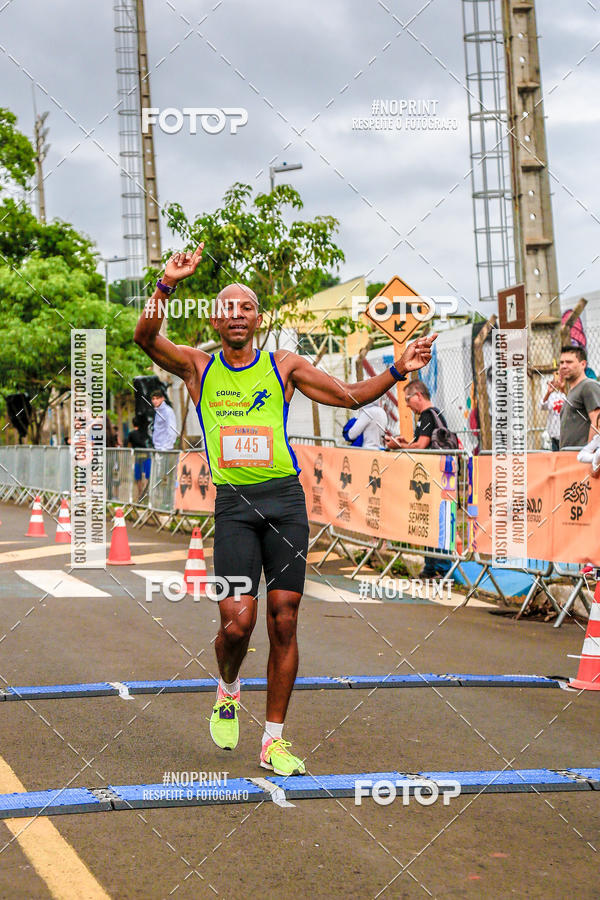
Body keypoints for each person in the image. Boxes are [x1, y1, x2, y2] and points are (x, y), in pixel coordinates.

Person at [134, 243, 436, 776]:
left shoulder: (285, 366)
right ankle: (228, 688)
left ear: (258, 319)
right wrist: (166, 284)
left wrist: (397, 368)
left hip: (284, 503)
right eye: (226, 308)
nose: (235, 316)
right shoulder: (198, 367)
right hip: (233, 507)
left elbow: (348, 396)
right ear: (214, 318)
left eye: (245, 308)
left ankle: (273, 739)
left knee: (285, 619)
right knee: (235, 625)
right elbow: (145, 338)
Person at [383, 380, 451, 579]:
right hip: (432, 477)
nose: (406, 404)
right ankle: (431, 567)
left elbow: (422, 445)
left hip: (436, 477)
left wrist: (399, 447)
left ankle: (440, 568)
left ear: (419, 395)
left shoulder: (428, 414)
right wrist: (405, 443)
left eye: (407, 399)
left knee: (437, 522)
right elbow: (420, 442)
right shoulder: (430, 416)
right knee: (429, 520)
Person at [558, 346, 600, 449]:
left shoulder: (588, 386)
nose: (564, 366)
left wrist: (589, 452)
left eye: (569, 362)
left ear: (583, 364)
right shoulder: (573, 390)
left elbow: (597, 423)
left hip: (581, 459)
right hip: (569, 458)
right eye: (561, 362)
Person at [127, 415, 152, 499]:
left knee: (138, 476)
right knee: (147, 474)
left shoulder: (131, 434)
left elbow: (129, 445)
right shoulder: (144, 433)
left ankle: (140, 493)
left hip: (137, 456)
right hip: (147, 455)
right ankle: (146, 492)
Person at [541, 374, 565, 452]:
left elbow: (569, 404)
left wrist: (563, 389)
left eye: (559, 381)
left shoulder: (565, 395)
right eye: (556, 381)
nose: (558, 383)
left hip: (565, 433)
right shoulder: (551, 396)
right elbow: (543, 406)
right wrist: (548, 393)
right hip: (554, 433)